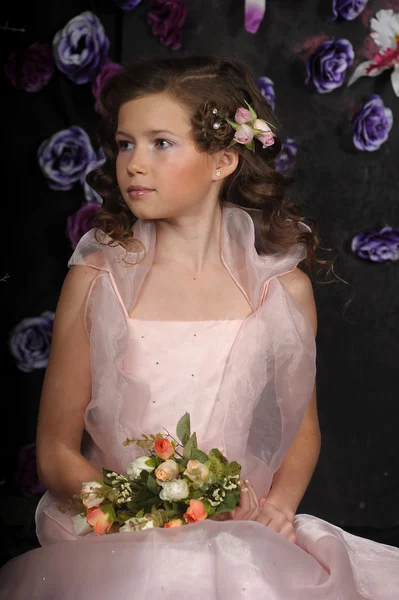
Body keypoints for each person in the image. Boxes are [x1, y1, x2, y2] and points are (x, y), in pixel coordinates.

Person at [0, 55, 398, 599]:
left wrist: (278, 511)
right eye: (125, 143)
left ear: (223, 161)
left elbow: (301, 426)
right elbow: (55, 452)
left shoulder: (280, 291)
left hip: (244, 531)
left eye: (161, 143)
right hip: (120, 532)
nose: (135, 164)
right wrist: (146, 510)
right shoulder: (98, 279)